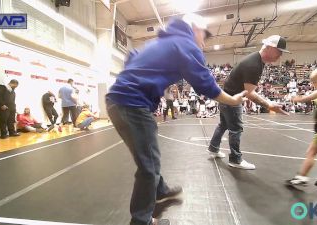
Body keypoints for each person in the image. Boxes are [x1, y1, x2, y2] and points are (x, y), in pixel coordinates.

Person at [106, 13, 247, 225]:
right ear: (193, 29)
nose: (204, 40)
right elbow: (206, 85)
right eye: (203, 34)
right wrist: (233, 100)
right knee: (148, 166)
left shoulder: (160, 42)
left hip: (116, 102)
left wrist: (140, 79)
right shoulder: (186, 45)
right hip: (133, 104)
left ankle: (160, 189)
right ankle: (141, 221)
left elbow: (132, 56)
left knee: (148, 158)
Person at [207, 35, 289, 170]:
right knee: (236, 129)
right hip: (232, 98)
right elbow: (250, 93)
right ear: (269, 48)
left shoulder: (257, 60)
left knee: (223, 125)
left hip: (227, 96)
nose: (280, 55)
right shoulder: (254, 64)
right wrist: (269, 105)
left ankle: (213, 148)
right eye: (279, 51)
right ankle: (235, 160)